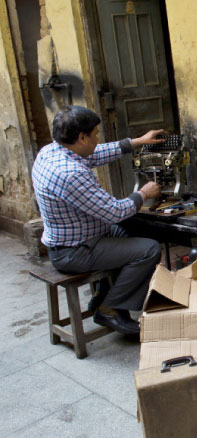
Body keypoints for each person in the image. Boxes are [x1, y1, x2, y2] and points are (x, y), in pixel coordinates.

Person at [32, 105, 166, 335]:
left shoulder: (52, 151)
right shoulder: (70, 173)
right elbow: (114, 212)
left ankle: (104, 293)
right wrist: (143, 193)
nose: (97, 139)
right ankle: (110, 308)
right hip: (75, 251)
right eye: (94, 134)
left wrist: (138, 141)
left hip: (81, 237)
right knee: (148, 250)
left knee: (133, 229)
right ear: (82, 137)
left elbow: (95, 153)